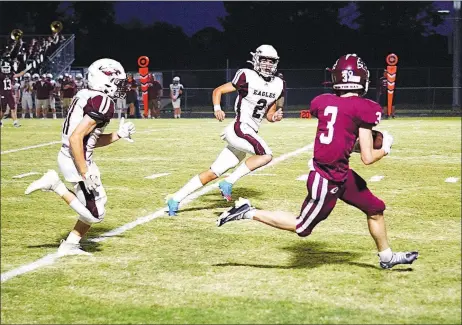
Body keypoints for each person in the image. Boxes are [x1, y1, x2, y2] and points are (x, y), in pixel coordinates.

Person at [217, 54, 418, 270]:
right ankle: (247, 211)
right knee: (302, 226)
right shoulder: (365, 107)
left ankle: (386, 257)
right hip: (327, 178)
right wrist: (385, 148)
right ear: (361, 78)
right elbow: (368, 157)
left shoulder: (323, 102)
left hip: (341, 172)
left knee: (375, 209)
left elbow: (344, 137)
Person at [25, 58, 135, 256]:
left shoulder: (87, 95)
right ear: (105, 80)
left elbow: (89, 139)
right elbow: (77, 138)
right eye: (118, 82)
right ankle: (54, 185)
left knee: (99, 202)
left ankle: (70, 244)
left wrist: (119, 135)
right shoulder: (102, 101)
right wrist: (85, 172)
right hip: (76, 160)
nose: (121, 88)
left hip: (75, 155)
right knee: (96, 215)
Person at [167, 45, 285, 216]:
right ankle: (228, 182)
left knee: (213, 172)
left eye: (271, 61)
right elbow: (218, 90)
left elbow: (269, 113)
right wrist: (217, 108)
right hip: (240, 128)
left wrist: (274, 117)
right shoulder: (247, 75)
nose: (267, 64)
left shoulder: (278, 84)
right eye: (264, 60)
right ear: (256, 60)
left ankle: (175, 199)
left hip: (249, 132)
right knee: (266, 154)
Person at [0, 61, 28, 127]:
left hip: (10, 94)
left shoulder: (11, 73)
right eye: (5, 67)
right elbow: (20, 74)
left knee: (13, 109)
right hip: (3, 94)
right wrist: (26, 69)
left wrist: (25, 70)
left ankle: (15, 122)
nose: (6, 69)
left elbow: (19, 75)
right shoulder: (3, 74)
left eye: (7, 67)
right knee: (3, 110)